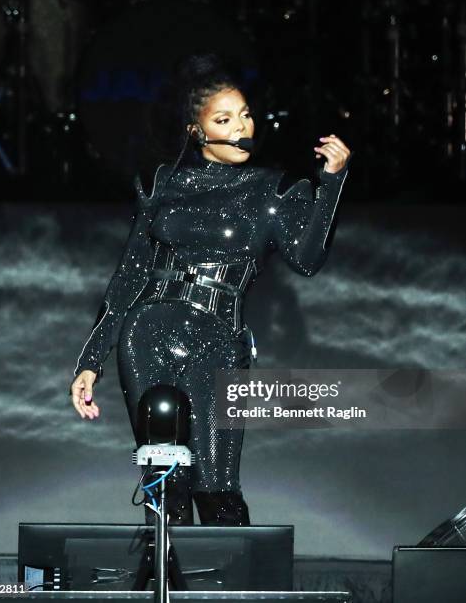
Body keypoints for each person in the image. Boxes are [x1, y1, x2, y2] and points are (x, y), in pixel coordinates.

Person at [70, 53, 351, 526]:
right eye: (224, 119)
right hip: (149, 335)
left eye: (245, 115)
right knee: (164, 481)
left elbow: (307, 259)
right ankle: (166, 590)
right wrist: (90, 361)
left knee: (218, 488)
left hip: (221, 342)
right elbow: (130, 275)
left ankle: (228, 592)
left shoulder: (272, 188)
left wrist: (331, 184)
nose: (240, 128)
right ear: (197, 130)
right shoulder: (163, 182)